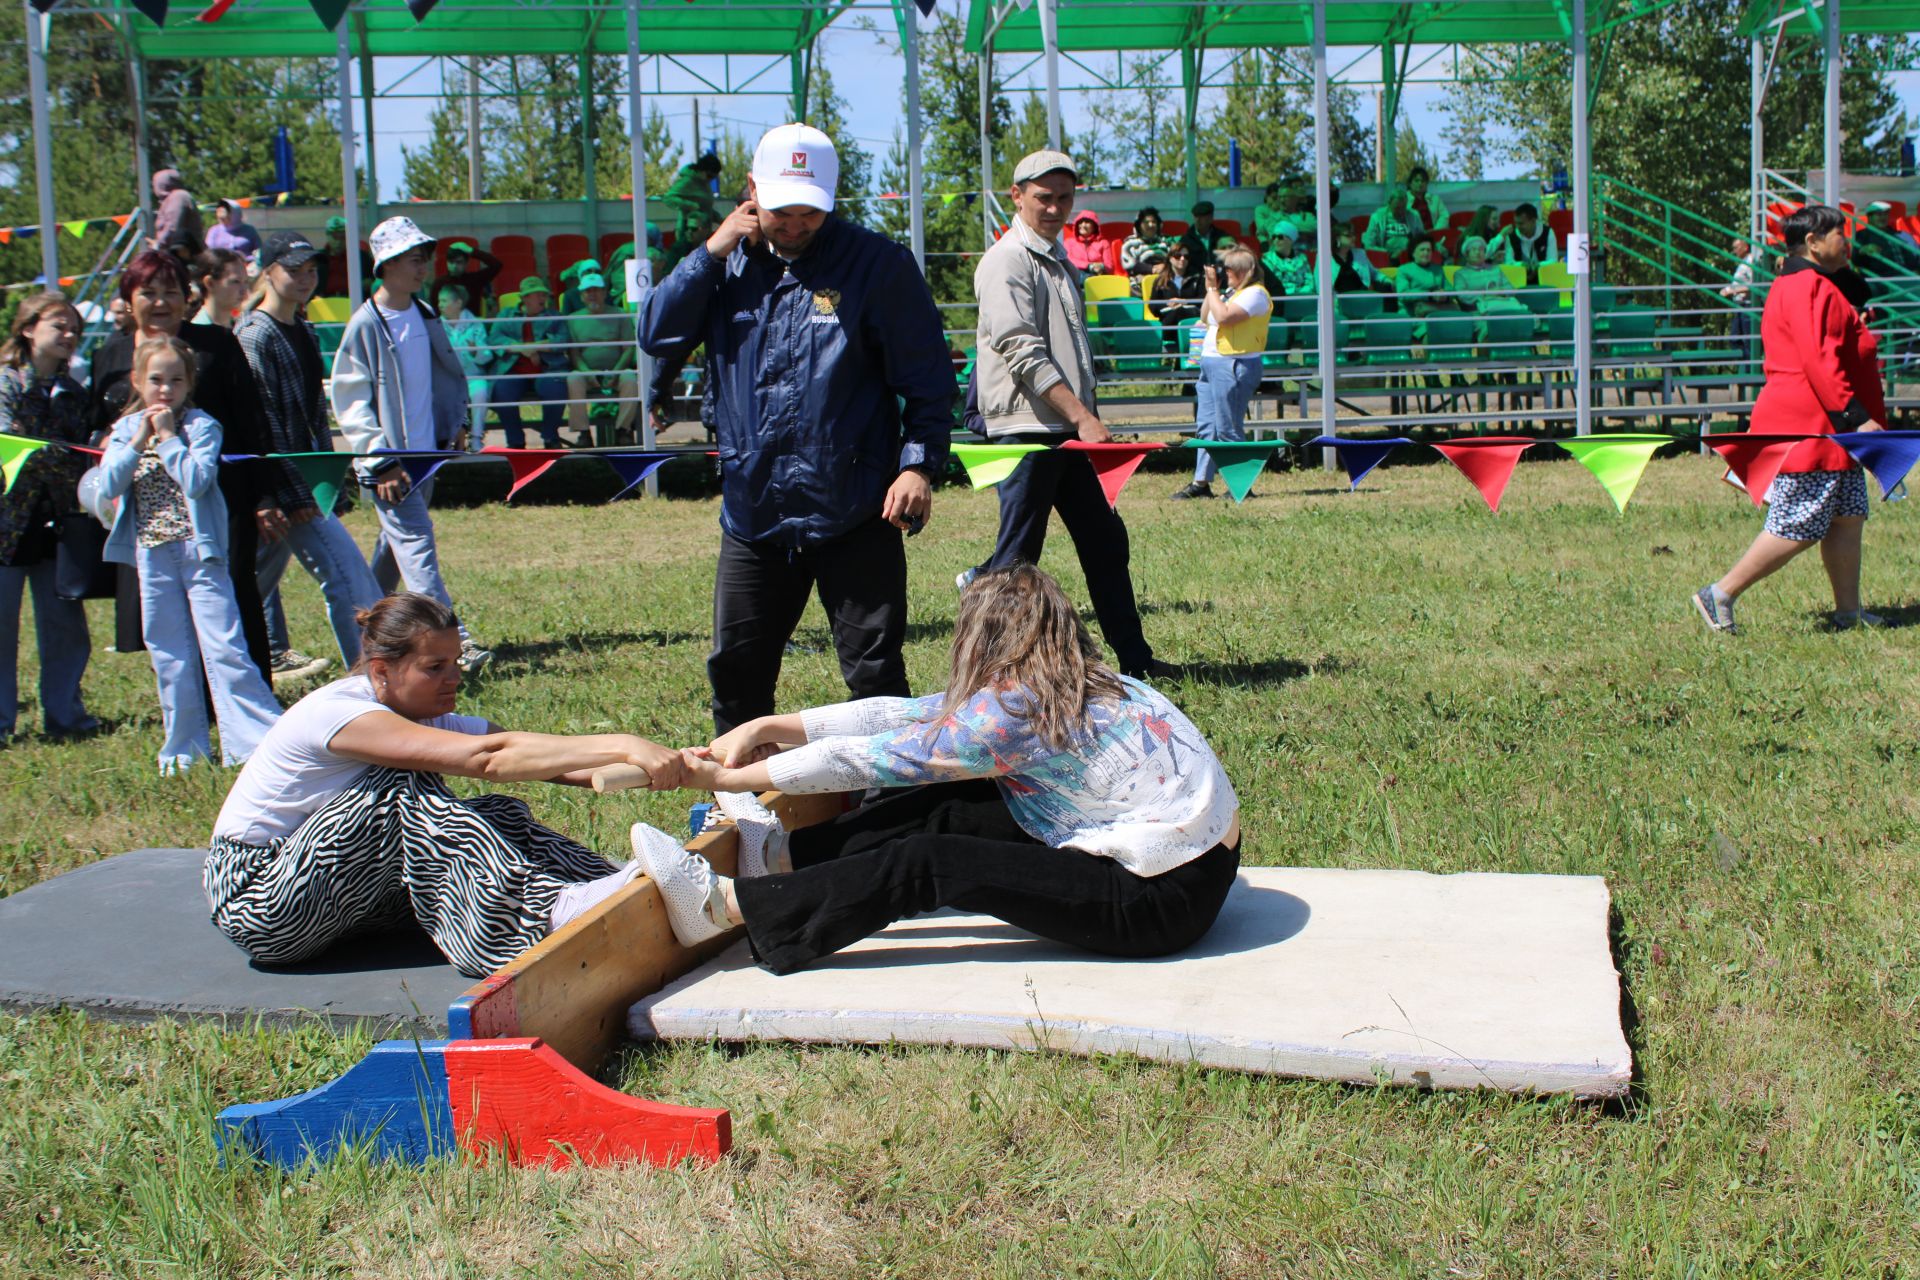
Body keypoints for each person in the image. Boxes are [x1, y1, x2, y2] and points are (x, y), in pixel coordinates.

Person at [633, 564, 1241, 975]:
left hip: (1160, 900)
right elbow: (898, 716)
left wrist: (718, 779)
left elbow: (869, 759)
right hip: (1191, 865)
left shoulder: (1013, 714)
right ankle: (780, 858)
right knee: (947, 808)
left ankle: (725, 909)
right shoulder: (1078, 681)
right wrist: (766, 728)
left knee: (930, 862)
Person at [641, 123, 953, 733]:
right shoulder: (722, 267)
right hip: (754, 511)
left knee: (874, 677)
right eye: (782, 210)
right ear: (752, 191)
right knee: (737, 671)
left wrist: (918, 464)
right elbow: (657, 333)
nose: (794, 224)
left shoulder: (878, 264)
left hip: (858, 508)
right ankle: (742, 803)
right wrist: (710, 252)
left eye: (810, 212)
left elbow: (927, 376)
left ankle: (891, 809)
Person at [203, 591, 690, 977]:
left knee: (494, 813)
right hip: (260, 903)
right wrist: (625, 741)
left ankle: (604, 887)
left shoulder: (425, 715)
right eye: (434, 667)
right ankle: (548, 913)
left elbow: (540, 755)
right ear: (381, 671)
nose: (453, 677)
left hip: (347, 898)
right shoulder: (338, 713)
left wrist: (671, 763)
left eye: (455, 662)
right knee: (396, 792)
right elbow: (488, 759)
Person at [963, 148, 1170, 681]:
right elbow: (1021, 348)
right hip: (1030, 431)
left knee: (1106, 545)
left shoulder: (1057, 260)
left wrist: (1084, 416)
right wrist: (1082, 417)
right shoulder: (1007, 260)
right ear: (1017, 196)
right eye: (1043, 198)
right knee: (1015, 564)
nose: (1055, 208)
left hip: (1069, 427)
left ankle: (1137, 664)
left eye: (1064, 198)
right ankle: (993, 671)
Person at [91, 250, 291, 682]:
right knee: (163, 609)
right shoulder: (109, 356)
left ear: (188, 296)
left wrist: (264, 494)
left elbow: (253, 421)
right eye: (149, 292)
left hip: (216, 497)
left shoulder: (215, 345)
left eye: (172, 292)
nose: (160, 302)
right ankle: (187, 700)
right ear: (129, 298)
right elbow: (92, 427)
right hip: (146, 510)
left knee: (230, 594)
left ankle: (247, 693)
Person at [1695, 205, 1887, 634]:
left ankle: (1848, 613)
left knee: (1846, 517)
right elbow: (1818, 358)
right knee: (1799, 524)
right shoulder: (1805, 286)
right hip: (1813, 425)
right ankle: (1720, 593)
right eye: (1839, 232)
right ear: (1813, 242)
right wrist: (1855, 418)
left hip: (1830, 426)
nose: (1847, 240)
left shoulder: (1816, 283)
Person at [99, 336, 283, 772]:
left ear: (189, 384)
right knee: (168, 651)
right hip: (152, 552)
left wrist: (166, 439)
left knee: (224, 646)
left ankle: (254, 742)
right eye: (156, 380)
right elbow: (107, 487)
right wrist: (138, 438)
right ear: (138, 381)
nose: (166, 389)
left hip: (200, 553)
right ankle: (184, 751)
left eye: (176, 380)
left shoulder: (202, 427)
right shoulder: (125, 431)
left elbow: (197, 479)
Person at [330, 216, 492, 675]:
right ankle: (456, 643)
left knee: (393, 552)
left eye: (424, 257)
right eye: (413, 258)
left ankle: (361, 629)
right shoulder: (366, 323)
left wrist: (455, 422)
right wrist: (380, 461)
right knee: (418, 549)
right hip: (391, 467)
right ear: (387, 264)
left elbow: (446, 376)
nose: (423, 266)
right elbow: (350, 399)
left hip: (426, 459)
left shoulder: (425, 314)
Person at [237, 230, 384, 676]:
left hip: (306, 483)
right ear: (267, 272)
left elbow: (311, 416)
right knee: (348, 582)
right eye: (293, 270)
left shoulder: (302, 328)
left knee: (248, 585)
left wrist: (328, 479)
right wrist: (289, 492)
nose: (305, 278)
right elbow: (260, 423)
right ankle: (369, 680)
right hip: (287, 488)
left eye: (311, 270)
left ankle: (234, 671)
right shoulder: (253, 334)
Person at [0, 293, 97, 745]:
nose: (69, 334)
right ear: (28, 328)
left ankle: (66, 716)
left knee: (64, 629)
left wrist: (43, 449)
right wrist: (53, 451)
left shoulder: (75, 394)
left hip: (56, 526)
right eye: (59, 325)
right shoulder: (5, 384)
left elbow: (83, 460)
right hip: (6, 525)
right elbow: (10, 446)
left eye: (74, 327)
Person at [1173, 248, 1271, 502]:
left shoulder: (1255, 294)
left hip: (1234, 365)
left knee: (1229, 427)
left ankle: (1241, 485)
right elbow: (1207, 315)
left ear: (1242, 271)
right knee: (1207, 427)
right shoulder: (1230, 292)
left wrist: (1214, 291)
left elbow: (1225, 318)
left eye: (1228, 269)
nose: (1224, 273)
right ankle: (1201, 482)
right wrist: (1211, 289)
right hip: (1211, 363)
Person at [487, 277, 570, 449]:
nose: (542, 299)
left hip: (547, 369)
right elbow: (494, 339)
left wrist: (533, 347)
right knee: (502, 391)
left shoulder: (554, 316)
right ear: (524, 298)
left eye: (544, 295)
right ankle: (515, 441)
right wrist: (520, 348)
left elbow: (563, 340)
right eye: (537, 295)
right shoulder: (506, 315)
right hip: (513, 370)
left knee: (555, 387)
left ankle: (550, 437)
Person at [564, 273, 638, 444]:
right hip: (587, 373)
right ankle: (583, 432)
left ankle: (623, 429)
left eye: (596, 290)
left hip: (617, 371)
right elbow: (574, 353)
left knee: (630, 378)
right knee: (573, 378)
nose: (592, 294)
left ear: (605, 292)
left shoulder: (620, 314)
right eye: (587, 291)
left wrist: (615, 372)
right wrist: (587, 373)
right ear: (581, 296)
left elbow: (628, 348)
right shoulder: (573, 319)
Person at [438, 283, 499, 448]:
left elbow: (486, 356)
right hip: (448, 378)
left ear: (458, 303)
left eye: (444, 301)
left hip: (472, 375)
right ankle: (452, 440)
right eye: (440, 301)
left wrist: (475, 352)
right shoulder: (437, 325)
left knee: (480, 392)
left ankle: (476, 438)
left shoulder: (475, 324)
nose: (440, 305)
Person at [1145, 242, 1206, 344]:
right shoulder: (1160, 280)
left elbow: (1203, 299)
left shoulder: (1198, 278)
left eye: (1186, 256)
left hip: (1191, 318)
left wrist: (1185, 302)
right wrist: (1168, 303)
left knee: (1180, 311)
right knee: (1176, 313)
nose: (1182, 259)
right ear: (1170, 258)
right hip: (1169, 320)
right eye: (1178, 256)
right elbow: (1153, 306)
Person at [662, 153, 724, 246]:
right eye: (709, 176)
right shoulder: (688, 180)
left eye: (713, 178)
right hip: (689, 233)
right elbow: (668, 198)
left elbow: (705, 207)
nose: (710, 180)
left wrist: (720, 219)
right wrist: (691, 205)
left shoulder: (705, 184)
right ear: (702, 170)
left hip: (703, 232)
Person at [1451, 236, 1524, 315]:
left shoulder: (1496, 269)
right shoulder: (1460, 274)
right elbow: (1462, 296)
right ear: (1466, 254)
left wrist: (1501, 291)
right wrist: (1486, 293)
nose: (1478, 252)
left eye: (1481, 249)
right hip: (1478, 312)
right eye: (1473, 249)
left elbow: (1511, 289)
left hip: (1504, 307)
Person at [1489, 203, 1558, 283]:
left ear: (1533, 221)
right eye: (1516, 223)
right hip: (1517, 279)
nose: (1517, 226)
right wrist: (1521, 265)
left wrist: (1538, 265)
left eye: (1521, 223)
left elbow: (1553, 260)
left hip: (1544, 277)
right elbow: (1509, 262)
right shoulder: (1511, 235)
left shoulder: (1548, 232)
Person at [431, 241, 504, 316]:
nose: (454, 266)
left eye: (459, 262)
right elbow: (435, 310)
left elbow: (497, 265)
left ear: (466, 263)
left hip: (472, 324)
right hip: (446, 324)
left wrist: (471, 250)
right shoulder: (439, 283)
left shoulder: (475, 279)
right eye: (451, 262)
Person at [1721, 238, 1763, 362]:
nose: (1735, 251)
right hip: (1740, 306)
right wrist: (1728, 288)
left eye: (1737, 247)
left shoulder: (1750, 262)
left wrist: (1732, 291)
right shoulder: (1742, 263)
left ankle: (1751, 372)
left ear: (1745, 247)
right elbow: (1740, 282)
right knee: (1735, 340)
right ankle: (1745, 371)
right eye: (1734, 248)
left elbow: (1753, 285)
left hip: (1748, 306)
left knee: (1748, 342)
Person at [1395, 239, 1457, 318]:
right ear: (1413, 253)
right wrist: (1430, 295)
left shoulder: (1438, 269)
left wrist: (1445, 295)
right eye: (1422, 250)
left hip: (1438, 311)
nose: (1426, 253)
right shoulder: (1403, 270)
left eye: (1429, 250)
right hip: (1412, 315)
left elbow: (1451, 290)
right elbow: (1403, 295)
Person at [189, 248, 250, 330]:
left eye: (246, 282)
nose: (244, 290)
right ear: (210, 283)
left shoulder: (240, 328)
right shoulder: (198, 333)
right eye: (235, 282)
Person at [150, 170, 205, 261]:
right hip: (174, 253)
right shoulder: (168, 200)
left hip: (185, 253)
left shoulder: (178, 196)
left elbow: (173, 226)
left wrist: (158, 245)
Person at [315, 216, 373, 300]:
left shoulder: (361, 257)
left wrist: (368, 282)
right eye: (335, 237)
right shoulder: (318, 259)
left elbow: (374, 280)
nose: (338, 242)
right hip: (325, 303)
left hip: (354, 302)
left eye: (342, 238)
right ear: (327, 236)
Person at [1259, 222, 1315, 297]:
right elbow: (1271, 287)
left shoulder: (1302, 258)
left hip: (1301, 299)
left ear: (1291, 240)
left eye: (1280, 237)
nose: (1276, 241)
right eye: (1274, 237)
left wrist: (1300, 295)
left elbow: (1309, 282)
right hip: (1279, 300)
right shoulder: (1266, 259)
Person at [1326, 222, 1384, 294]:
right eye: (1348, 235)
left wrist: (1386, 279)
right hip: (1336, 302)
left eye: (1353, 234)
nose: (1353, 238)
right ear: (1337, 238)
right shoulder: (1324, 257)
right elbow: (1320, 285)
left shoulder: (1360, 254)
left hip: (1361, 298)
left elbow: (1374, 273)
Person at [1364, 191, 1419, 262]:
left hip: (1409, 255)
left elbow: (1421, 239)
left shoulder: (1413, 215)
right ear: (1389, 203)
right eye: (1397, 208)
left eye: (1403, 208)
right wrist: (1388, 253)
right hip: (1386, 255)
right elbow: (1368, 245)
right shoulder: (1377, 218)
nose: (1400, 212)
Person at [1120, 207, 1170, 276]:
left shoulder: (1166, 240)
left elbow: (1177, 259)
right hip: (1140, 278)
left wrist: (1165, 266)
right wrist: (1151, 269)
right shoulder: (1130, 242)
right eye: (1146, 222)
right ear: (1138, 225)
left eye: (1154, 222)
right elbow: (1129, 264)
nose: (1151, 225)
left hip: (1166, 276)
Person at [1404, 166, 1448, 240]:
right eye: (1416, 180)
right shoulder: (1403, 199)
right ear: (1410, 183)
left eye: (1423, 181)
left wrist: (1435, 230)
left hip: (1433, 236)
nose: (1420, 184)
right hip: (1410, 238)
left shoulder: (1435, 199)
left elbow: (1445, 216)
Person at [1064, 211, 1108, 276]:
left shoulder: (1103, 243)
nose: (1083, 225)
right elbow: (1068, 260)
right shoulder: (1069, 242)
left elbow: (1109, 265)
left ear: (1094, 226)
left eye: (1087, 222)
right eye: (1080, 222)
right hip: (1076, 276)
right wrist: (1089, 265)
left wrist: (1101, 266)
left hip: (1098, 276)